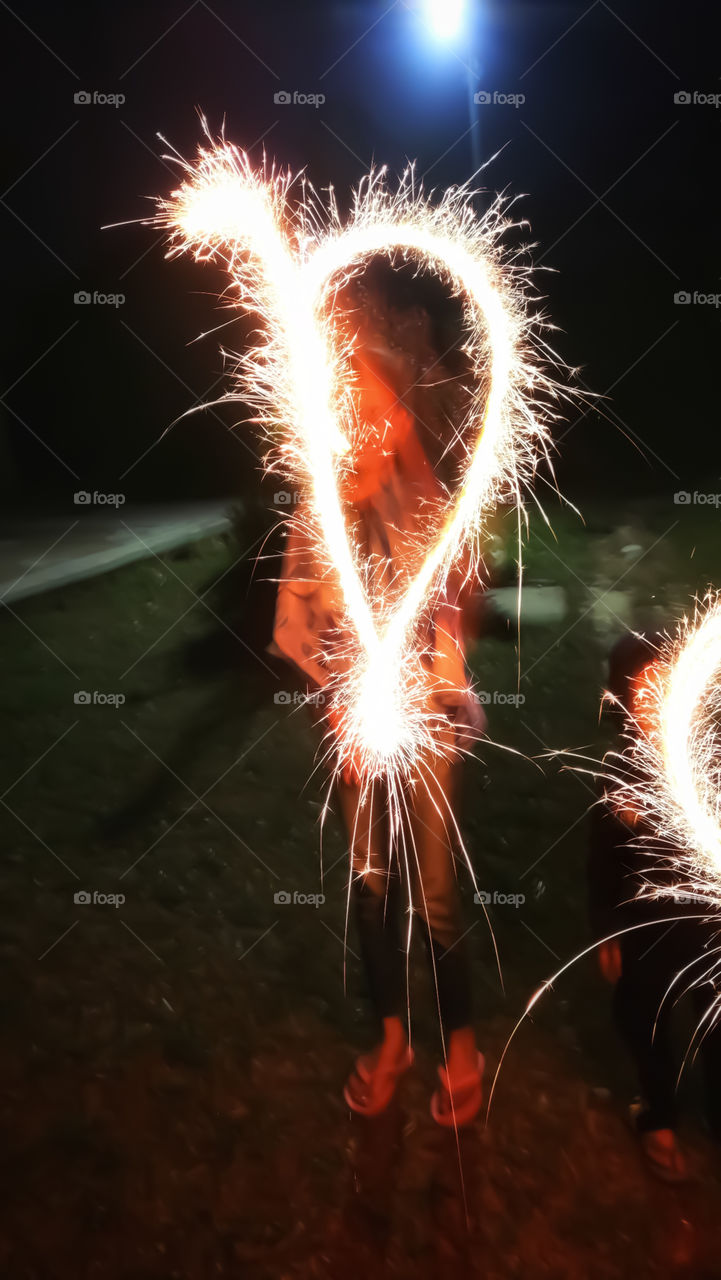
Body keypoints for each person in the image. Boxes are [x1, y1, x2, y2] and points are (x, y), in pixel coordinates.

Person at [270, 289, 485, 1125]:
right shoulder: (319, 513)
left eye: (380, 404)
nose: (367, 418)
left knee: (432, 894)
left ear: (401, 414)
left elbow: (452, 611)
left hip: (426, 725)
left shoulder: (429, 504)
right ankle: (392, 1038)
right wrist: (339, 711)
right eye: (354, 403)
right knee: (369, 884)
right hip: (357, 728)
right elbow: (307, 620)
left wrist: (450, 692)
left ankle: (461, 1048)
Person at [589, 631, 721, 1182]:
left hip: (710, 924)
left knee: (715, 1028)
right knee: (643, 1020)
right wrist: (606, 932)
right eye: (641, 696)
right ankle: (660, 1117)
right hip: (646, 926)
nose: (654, 705)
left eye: (663, 689)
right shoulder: (618, 773)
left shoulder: (706, 760)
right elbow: (601, 862)